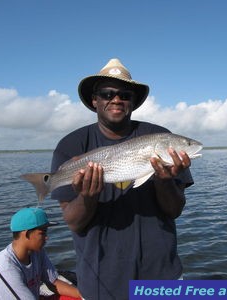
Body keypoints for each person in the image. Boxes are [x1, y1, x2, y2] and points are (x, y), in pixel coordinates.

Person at [51, 58, 194, 300]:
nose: (116, 99)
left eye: (124, 95)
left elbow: (174, 210)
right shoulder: (71, 145)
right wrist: (88, 196)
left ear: (133, 102)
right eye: (107, 93)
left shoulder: (161, 138)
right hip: (101, 283)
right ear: (94, 100)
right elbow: (74, 223)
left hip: (161, 276)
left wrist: (164, 181)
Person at [0, 207, 82, 300]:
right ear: (27, 233)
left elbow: (53, 282)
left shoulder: (37, 252)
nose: (47, 237)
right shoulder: (6, 269)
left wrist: (84, 296)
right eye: (43, 233)